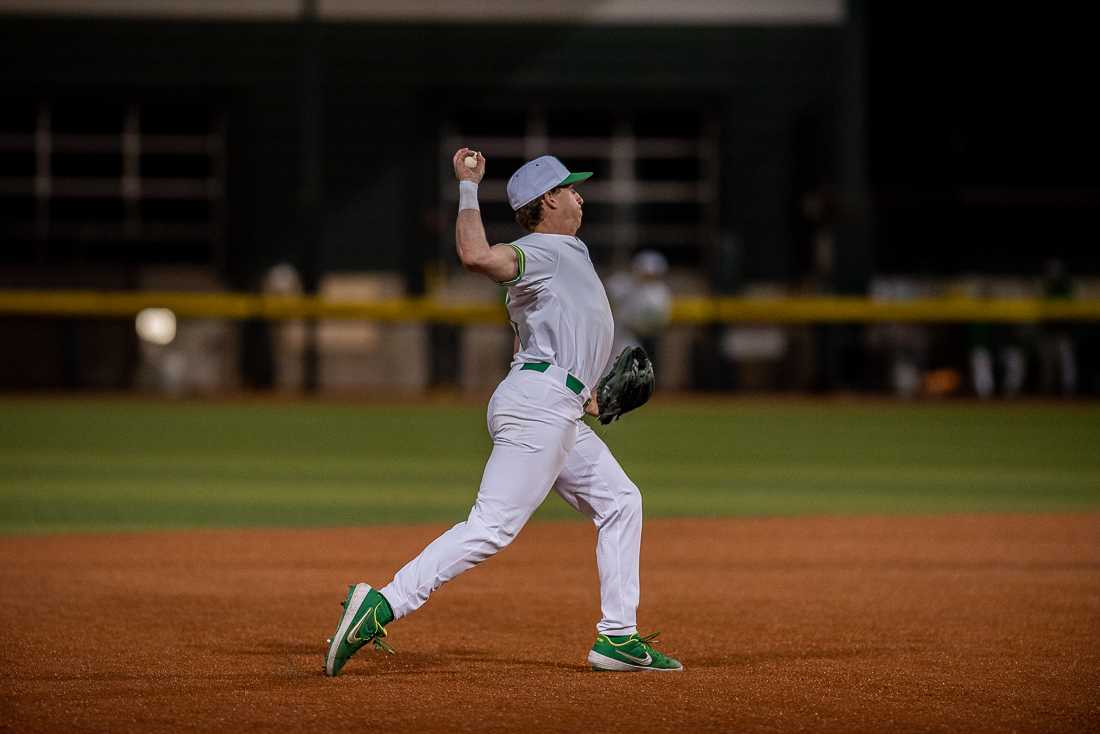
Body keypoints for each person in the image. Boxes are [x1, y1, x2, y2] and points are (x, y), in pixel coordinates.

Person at [323, 150, 683, 675]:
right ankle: (381, 603)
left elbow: (552, 344)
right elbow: (475, 256)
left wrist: (590, 396)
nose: (580, 194)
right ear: (548, 201)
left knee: (621, 501)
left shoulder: (565, 253)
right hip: (539, 408)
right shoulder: (542, 249)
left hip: (553, 402)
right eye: (570, 187)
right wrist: (468, 186)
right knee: (490, 527)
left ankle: (618, 637)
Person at [605, 249, 672, 370]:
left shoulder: (660, 292)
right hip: (612, 332)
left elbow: (658, 321)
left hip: (635, 336)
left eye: (652, 273)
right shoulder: (620, 282)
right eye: (645, 272)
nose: (647, 276)